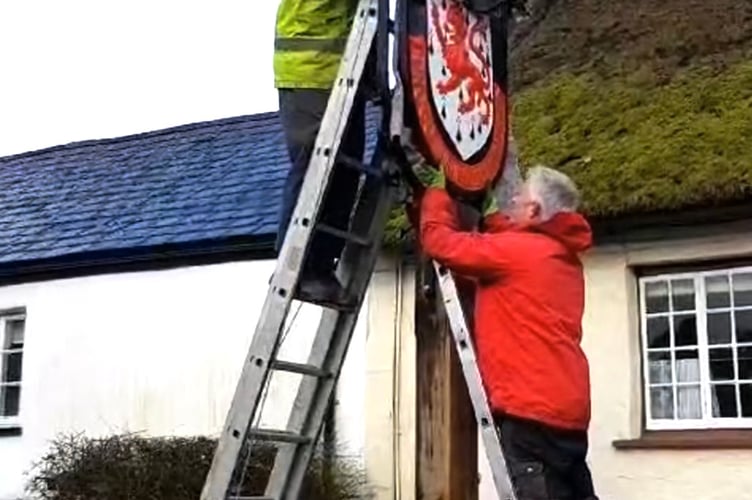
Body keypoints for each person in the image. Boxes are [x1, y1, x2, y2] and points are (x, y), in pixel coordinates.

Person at [414, 159, 598, 500]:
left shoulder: (519, 253)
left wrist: (436, 194)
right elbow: (504, 266)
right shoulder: (562, 257)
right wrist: (491, 218)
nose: (511, 204)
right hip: (568, 410)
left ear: (534, 209)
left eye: (518, 199)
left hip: (531, 411)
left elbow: (442, 243)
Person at [273, 0, 364, 304]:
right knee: (315, 165)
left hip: (341, 68)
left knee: (346, 171)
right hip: (309, 69)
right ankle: (296, 267)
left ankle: (321, 268)